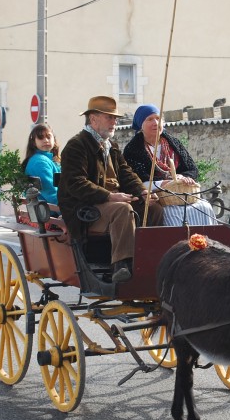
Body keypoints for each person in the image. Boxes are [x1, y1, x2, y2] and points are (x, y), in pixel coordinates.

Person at [58, 96, 164, 283]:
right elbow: (76, 183)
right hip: (86, 209)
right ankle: (121, 265)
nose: (114, 122)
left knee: (153, 207)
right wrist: (109, 196)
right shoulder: (77, 145)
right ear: (93, 119)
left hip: (110, 203)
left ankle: (148, 259)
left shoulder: (110, 145)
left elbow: (126, 173)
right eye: (109, 117)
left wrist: (142, 191)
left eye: (115, 118)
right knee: (123, 209)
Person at [123, 104, 217, 226]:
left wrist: (184, 177)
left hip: (181, 194)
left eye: (158, 118)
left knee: (205, 207)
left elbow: (192, 169)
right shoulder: (133, 149)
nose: (155, 123)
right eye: (150, 119)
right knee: (172, 213)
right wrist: (162, 183)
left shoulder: (174, 143)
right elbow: (137, 179)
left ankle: (203, 242)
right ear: (141, 125)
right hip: (157, 196)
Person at [21, 122, 61, 206]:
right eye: (40, 137)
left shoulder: (43, 159)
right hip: (50, 212)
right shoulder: (40, 162)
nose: (46, 140)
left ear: (54, 139)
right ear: (33, 142)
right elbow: (51, 194)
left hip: (45, 210)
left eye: (48, 137)